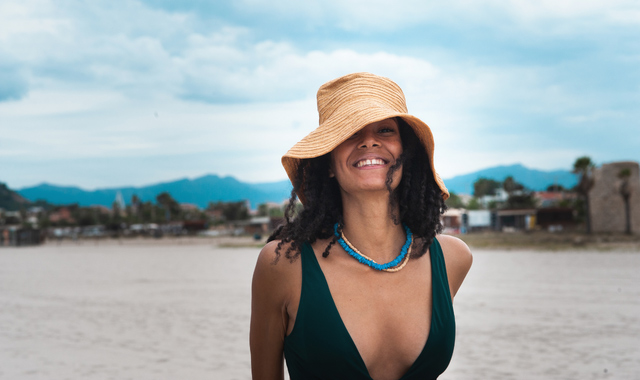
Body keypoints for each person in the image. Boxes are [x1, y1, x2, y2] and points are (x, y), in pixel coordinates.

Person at [250, 72, 472, 380]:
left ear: (406, 154)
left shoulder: (452, 259)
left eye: (385, 129)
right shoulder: (283, 266)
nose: (369, 140)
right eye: (350, 131)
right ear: (327, 162)